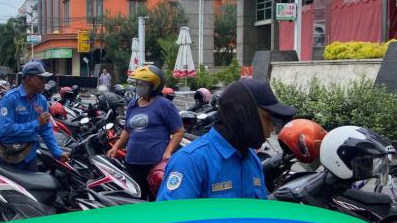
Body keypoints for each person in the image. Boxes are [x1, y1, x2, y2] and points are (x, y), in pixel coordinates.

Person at [157, 78, 297, 201]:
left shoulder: (252, 159)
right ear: (244, 115)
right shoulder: (190, 162)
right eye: (267, 119)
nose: (272, 128)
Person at [107, 65, 185, 200]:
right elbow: (127, 130)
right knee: (135, 200)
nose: (138, 86)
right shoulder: (132, 104)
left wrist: (168, 152)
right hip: (132, 162)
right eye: (137, 83)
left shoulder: (164, 105)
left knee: (156, 201)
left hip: (155, 163)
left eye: (142, 84)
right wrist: (116, 147)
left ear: (154, 85)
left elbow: (179, 131)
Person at [0, 62, 70, 171]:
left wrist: (57, 152)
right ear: (29, 80)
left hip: (28, 156)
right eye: (41, 78)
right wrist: (36, 123)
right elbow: (6, 129)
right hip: (7, 155)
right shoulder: (10, 99)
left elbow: (46, 128)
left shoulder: (42, 100)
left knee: (34, 187)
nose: (45, 82)